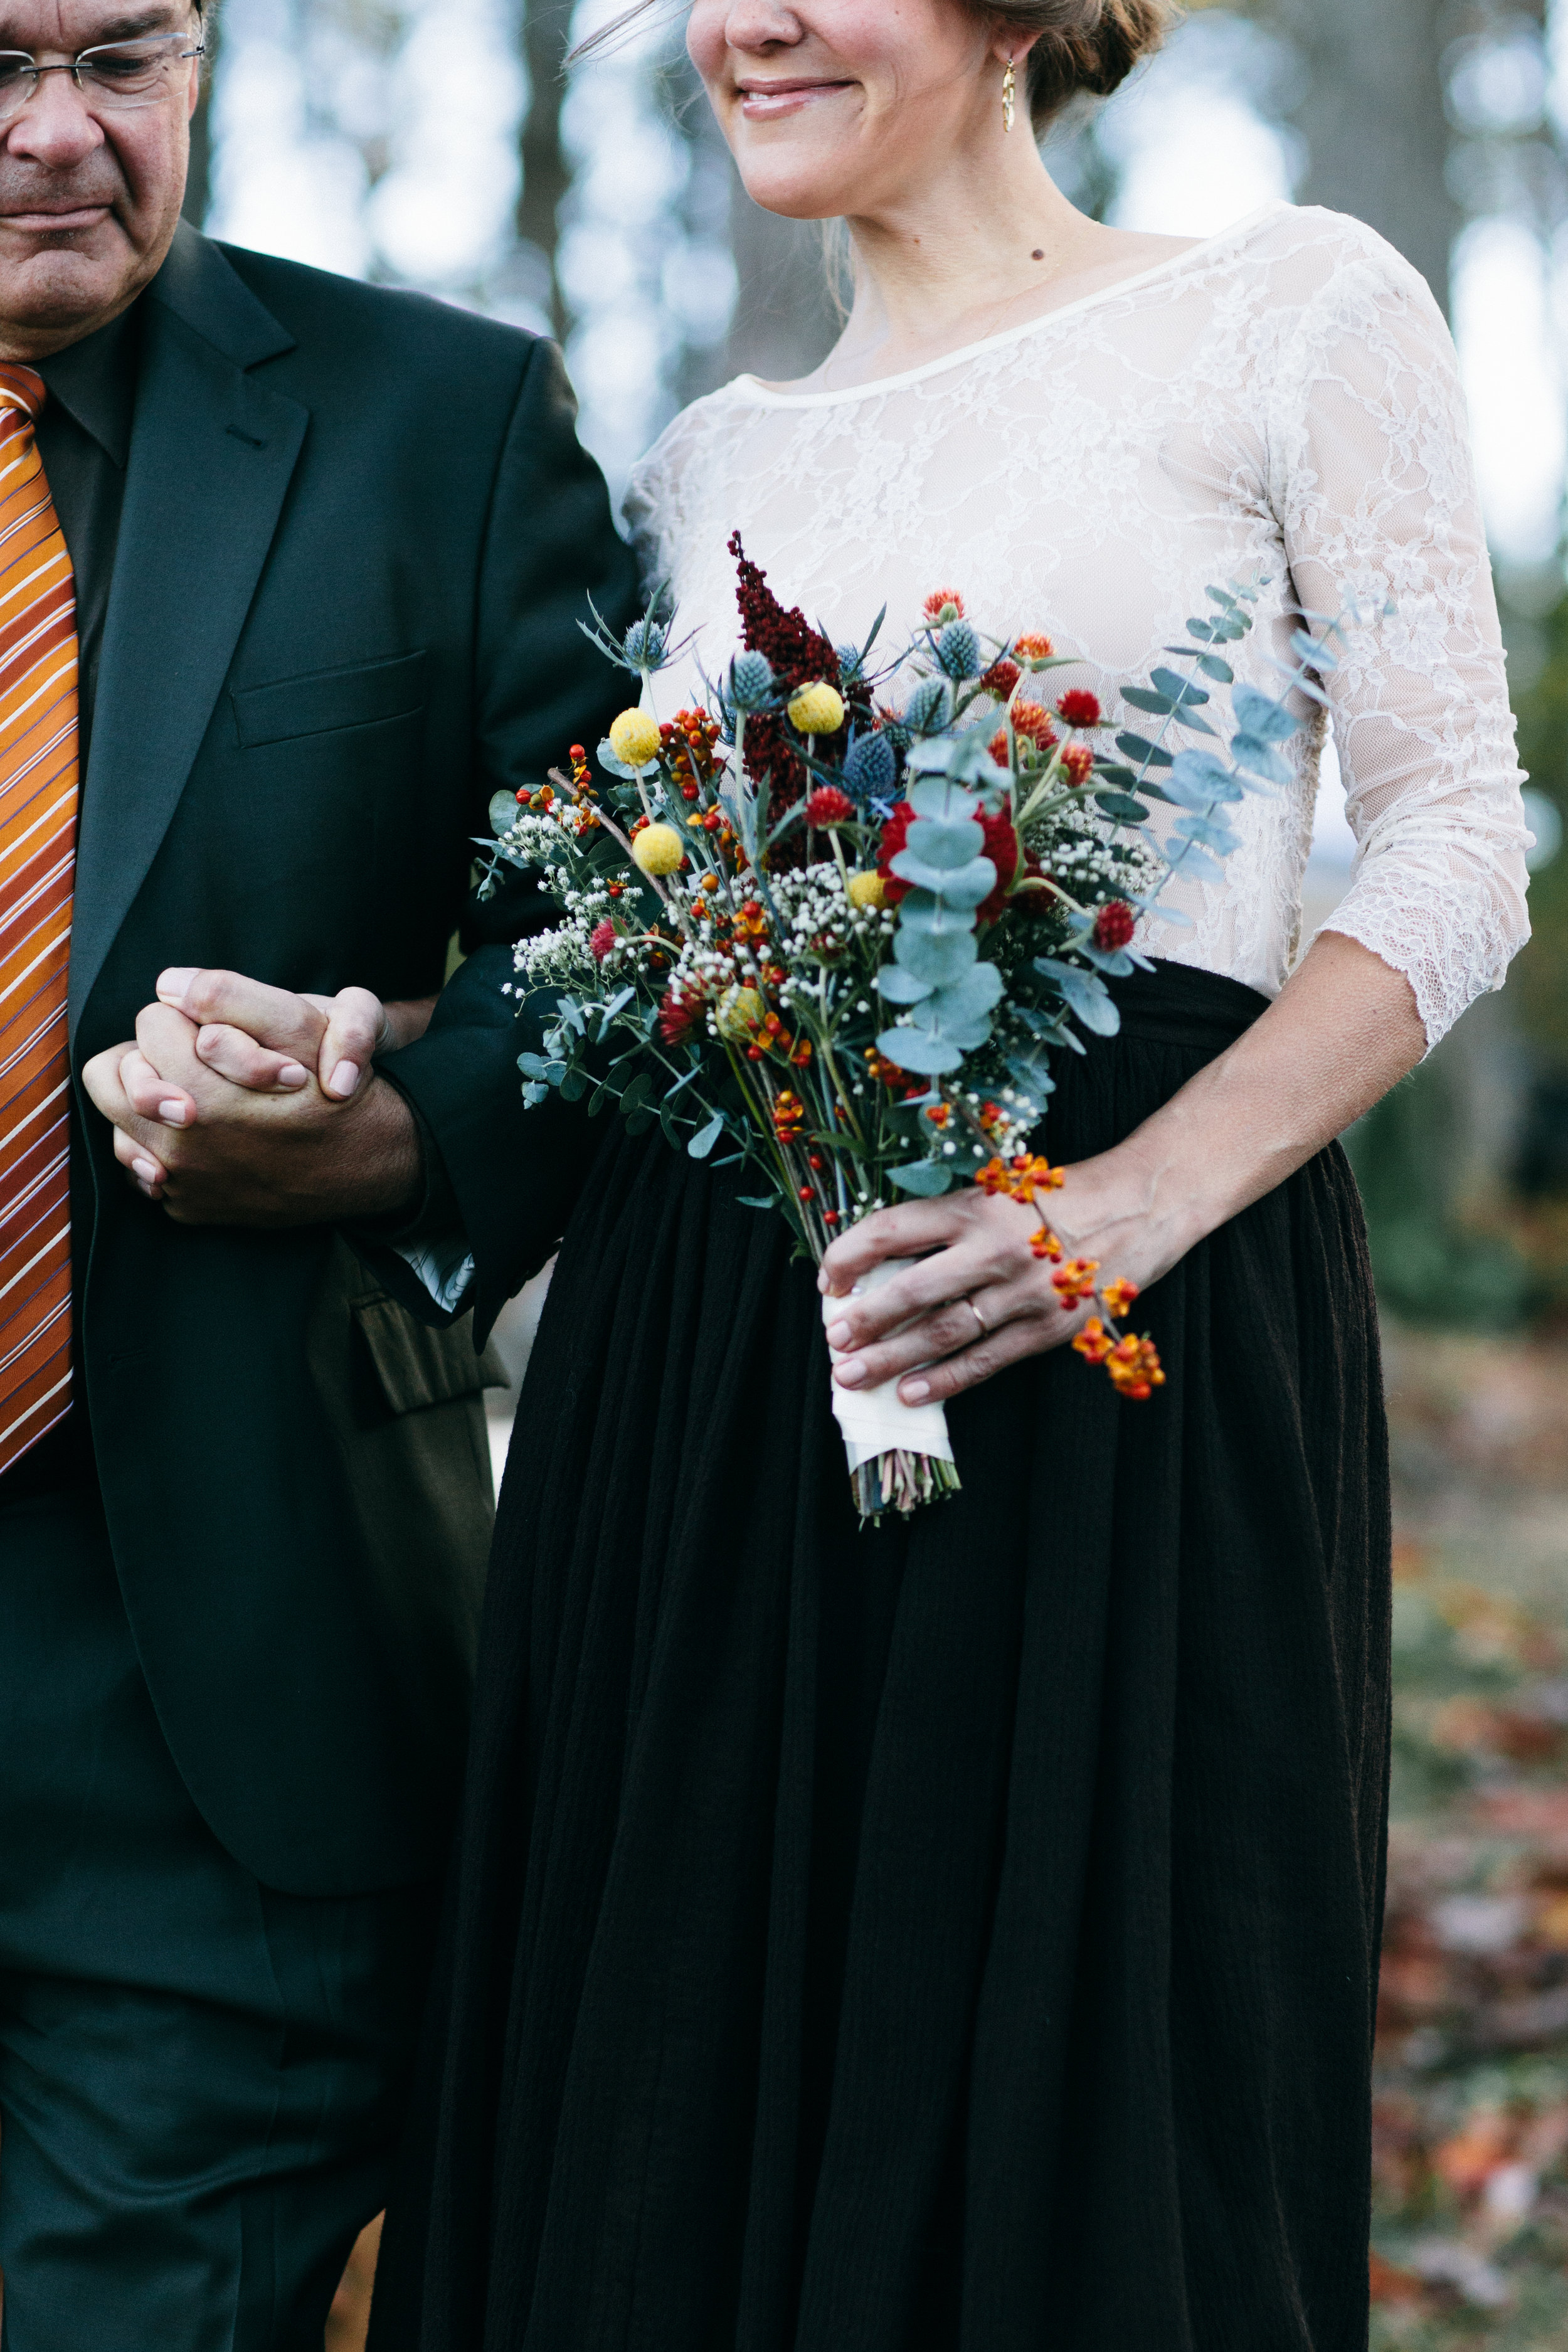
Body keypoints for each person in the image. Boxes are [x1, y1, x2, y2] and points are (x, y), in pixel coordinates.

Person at [218, 1, 1525, 2345]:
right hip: (694, 1397)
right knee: (678, 2128)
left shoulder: (1294, 310)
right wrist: (378, 1037)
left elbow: (1450, 856)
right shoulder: (712, 454)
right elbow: (625, 961)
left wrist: (1116, 1209)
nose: (748, 23)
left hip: (1124, 1362)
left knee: (1083, 2125)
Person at [0, 0, 635, 2341]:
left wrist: (398, 1127)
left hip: (225, 1693)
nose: (65, 134)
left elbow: (647, 961)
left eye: (126, 56)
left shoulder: (438, 425)